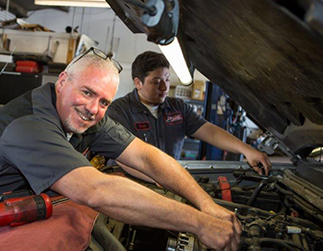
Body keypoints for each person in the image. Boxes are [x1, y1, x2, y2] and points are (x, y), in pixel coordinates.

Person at [0, 47, 241, 251]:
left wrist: (205, 203)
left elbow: (145, 156)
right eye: (87, 92)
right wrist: (198, 224)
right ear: (62, 81)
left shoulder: (89, 118)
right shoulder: (28, 123)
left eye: (104, 101)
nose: (93, 108)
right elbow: (96, 190)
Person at [107, 51, 271, 177]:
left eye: (167, 79)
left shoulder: (177, 108)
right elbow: (123, 157)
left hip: (169, 181)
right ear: (138, 83)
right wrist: (159, 180)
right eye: (156, 82)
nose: (164, 88)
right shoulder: (119, 111)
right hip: (132, 185)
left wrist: (247, 150)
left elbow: (210, 132)